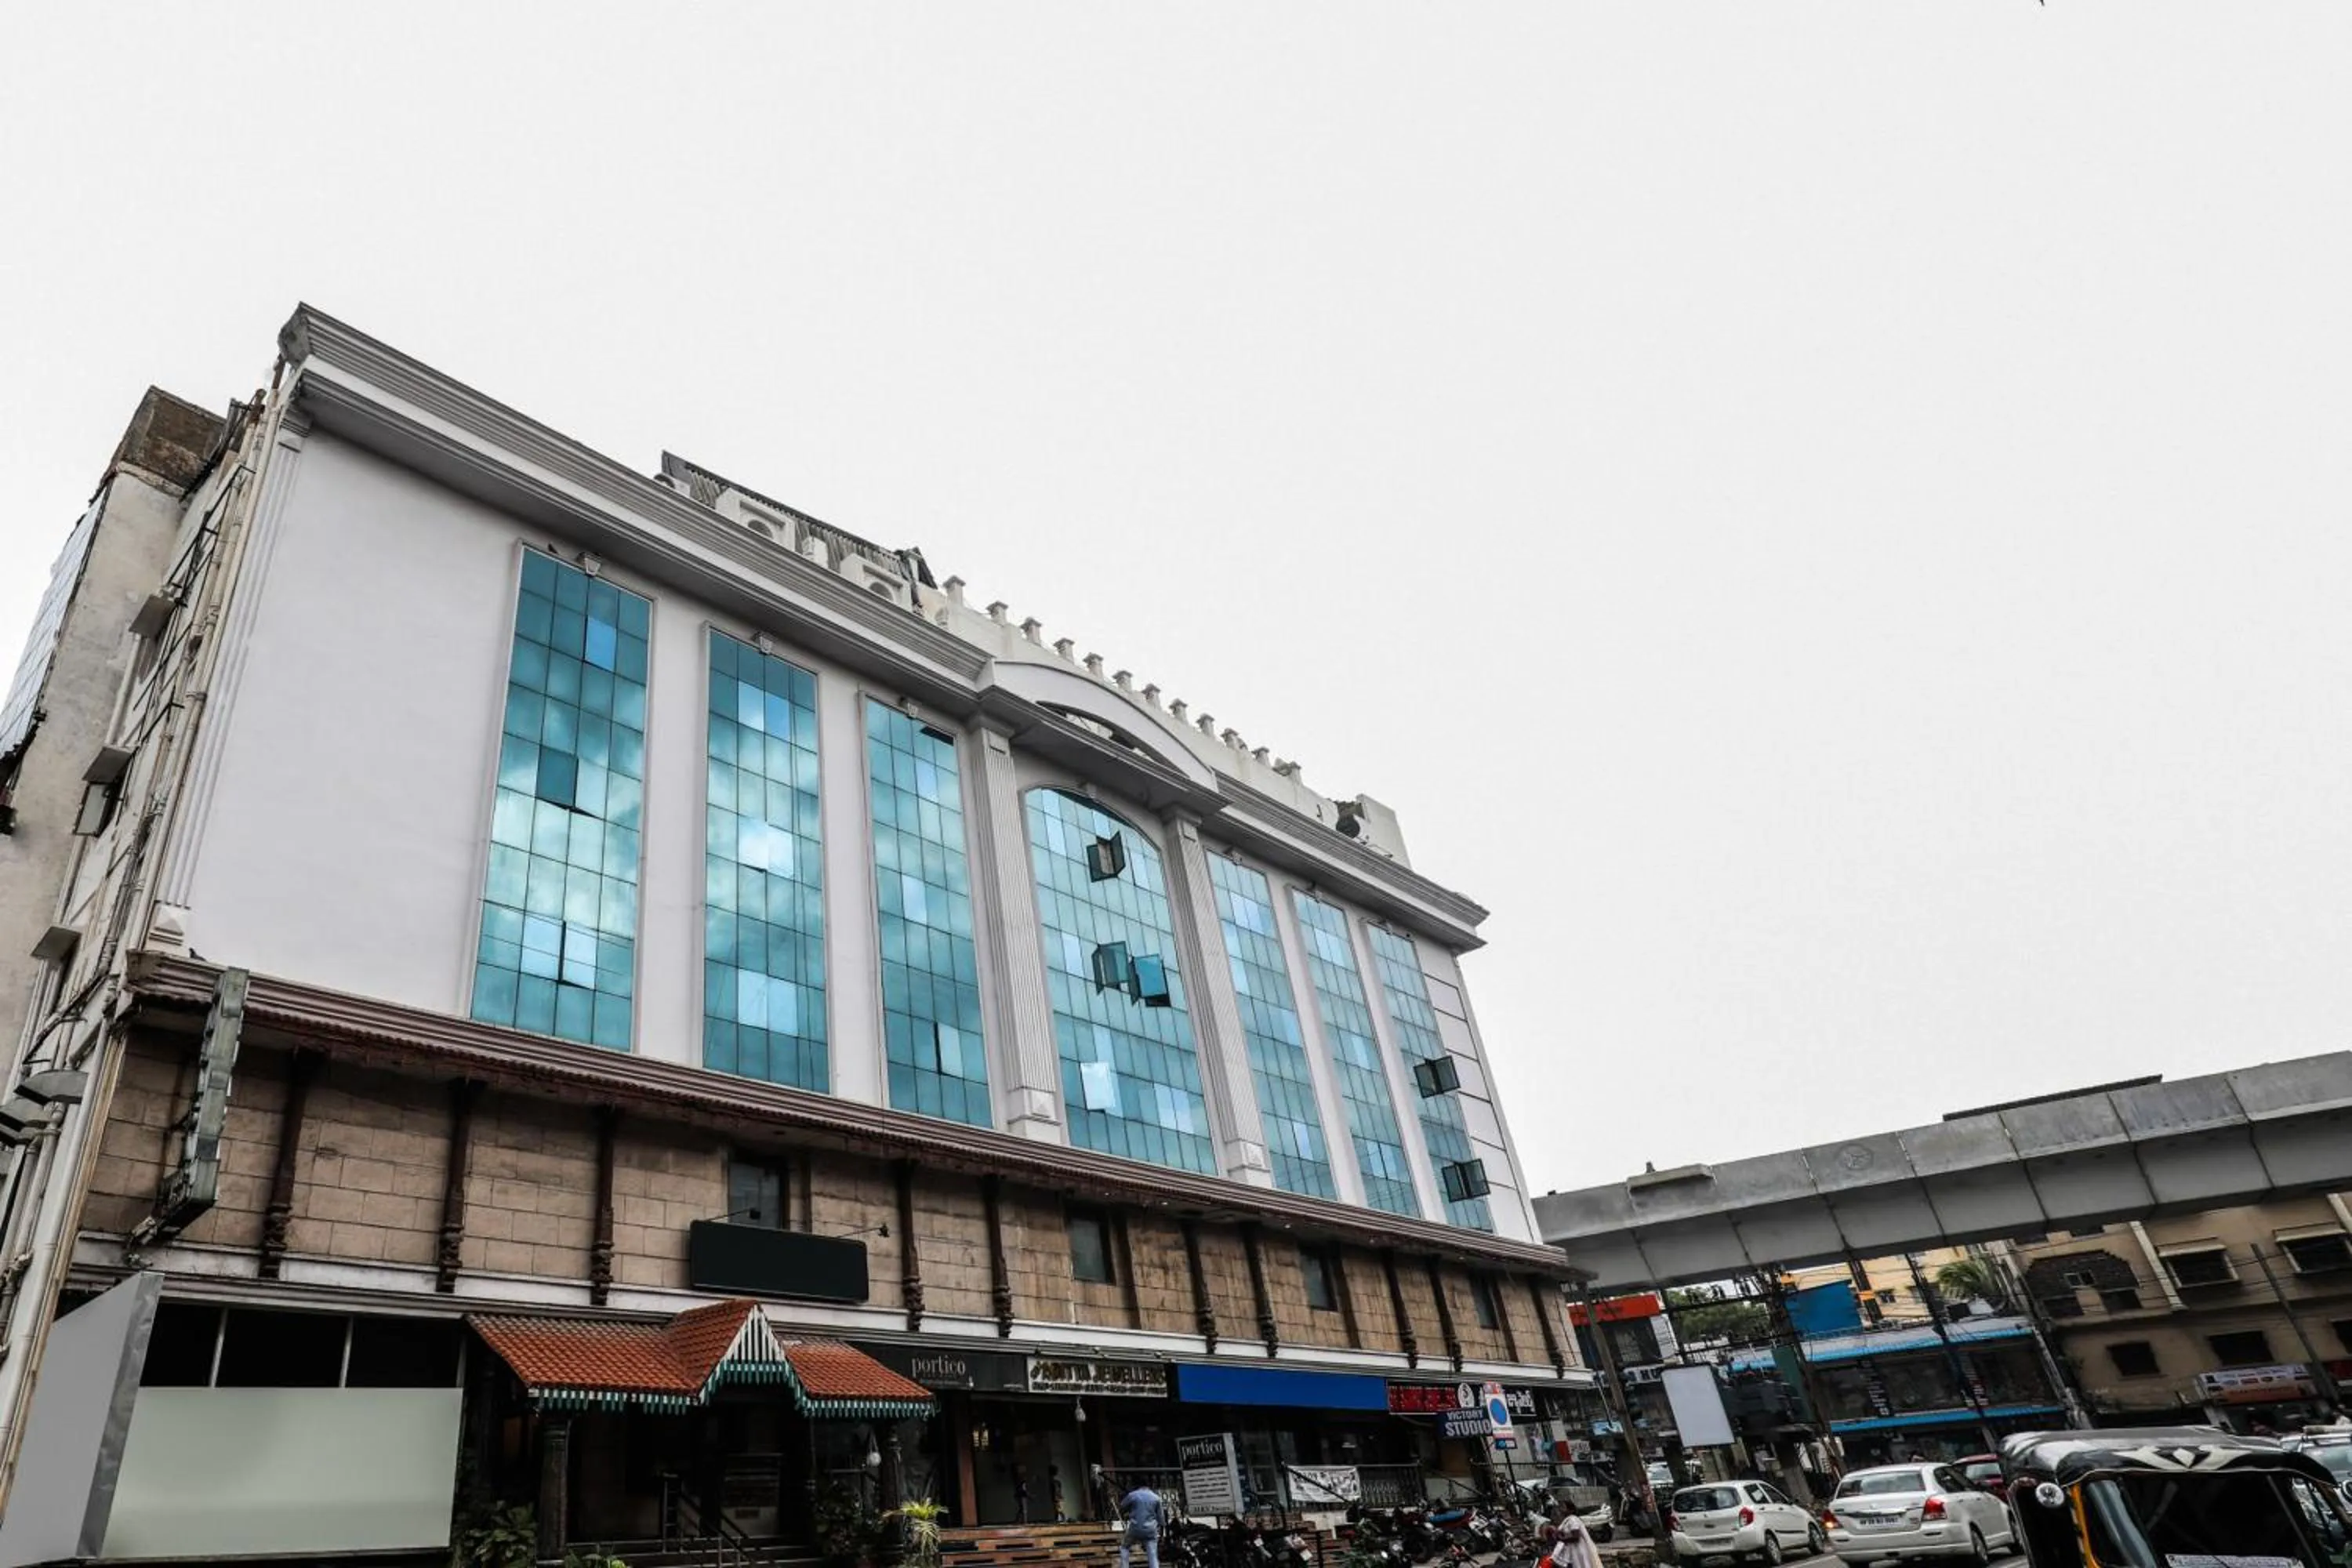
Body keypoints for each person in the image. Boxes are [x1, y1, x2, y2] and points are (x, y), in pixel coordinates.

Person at [1119, 1479, 1167, 1568]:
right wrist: (1162, 1534)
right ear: (1149, 1487)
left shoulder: (1133, 1495)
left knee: (1124, 1547)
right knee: (1152, 1554)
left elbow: (1122, 1506)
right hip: (1151, 1530)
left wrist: (1128, 1513)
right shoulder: (1156, 1497)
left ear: (1138, 1486)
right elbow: (1161, 1518)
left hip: (1135, 1528)